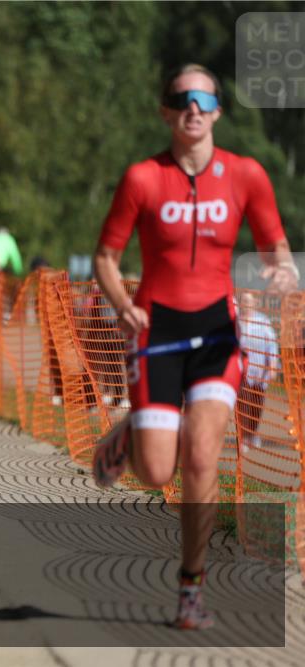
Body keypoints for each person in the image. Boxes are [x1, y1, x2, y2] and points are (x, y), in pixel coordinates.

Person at [90, 65, 297, 629]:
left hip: (218, 332)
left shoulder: (247, 174)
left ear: (218, 112)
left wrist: (280, 272)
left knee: (203, 456)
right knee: (158, 472)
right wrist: (120, 303)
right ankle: (132, 430)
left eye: (205, 97)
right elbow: (105, 258)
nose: (194, 106)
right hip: (158, 331)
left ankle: (191, 589)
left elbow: (275, 245)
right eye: (182, 98)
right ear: (165, 111)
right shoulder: (142, 178)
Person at [235, 291, 279, 451]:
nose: (246, 304)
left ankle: (252, 434)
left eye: (249, 301)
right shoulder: (236, 322)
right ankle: (243, 437)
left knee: (256, 405)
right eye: (244, 301)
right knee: (242, 406)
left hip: (260, 372)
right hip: (241, 372)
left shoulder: (262, 321)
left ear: (254, 303)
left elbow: (272, 345)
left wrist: (273, 367)